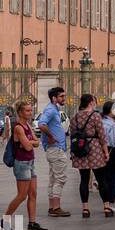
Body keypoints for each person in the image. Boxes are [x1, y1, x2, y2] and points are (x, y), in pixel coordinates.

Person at [3, 100, 46, 230]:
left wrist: (30, 142)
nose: (30, 112)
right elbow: (28, 146)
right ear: (20, 112)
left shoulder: (27, 125)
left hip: (30, 162)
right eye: (27, 110)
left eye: (30, 110)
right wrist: (29, 143)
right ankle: (4, 220)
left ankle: (32, 223)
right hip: (21, 163)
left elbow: (37, 142)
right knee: (22, 195)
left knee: (33, 194)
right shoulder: (18, 127)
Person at [70, 94, 112, 219]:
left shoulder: (75, 117)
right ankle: (106, 206)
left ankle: (85, 209)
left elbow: (73, 135)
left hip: (80, 149)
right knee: (101, 179)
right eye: (94, 101)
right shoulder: (95, 116)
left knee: (84, 179)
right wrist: (105, 152)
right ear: (90, 102)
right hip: (94, 149)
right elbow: (102, 135)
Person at [39, 86, 71, 218]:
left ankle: (52, 207)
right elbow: (41, 124)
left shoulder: (54, 109)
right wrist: (51, 136)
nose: (64, 98)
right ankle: (56, 207)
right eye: (61, 96)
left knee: (53, 179)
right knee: (60, 178)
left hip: (55, 149)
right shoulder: (51, 110)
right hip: (56, 149)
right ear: (54, 98)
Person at [99, 100, 115, 213]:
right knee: (112, 177)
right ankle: (110, 202)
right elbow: (114, 141)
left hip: (100, 151)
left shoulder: (100, 121)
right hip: (111, 150)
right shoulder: (112, 123)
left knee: (103, 177)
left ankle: (105, 202)